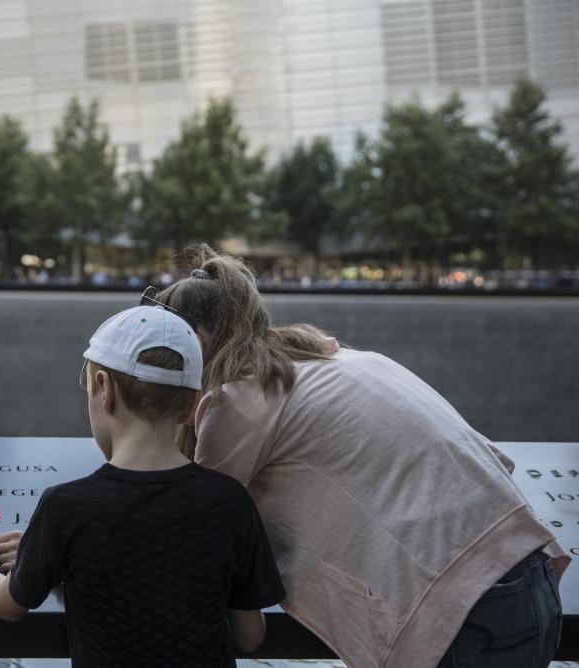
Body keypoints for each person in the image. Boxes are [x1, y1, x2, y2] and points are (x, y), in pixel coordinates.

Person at [150, 244, 569, 668]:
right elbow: (490, 458)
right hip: (531, 576)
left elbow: (192, 531)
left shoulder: (239, 400)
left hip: (458, 615)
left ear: (195, 344)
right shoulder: (345, 359)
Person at [0, 305, 285, 667]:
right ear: (190, 408)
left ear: (104, 389)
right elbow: (250, 636)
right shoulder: (229, 502)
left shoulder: (67, 507)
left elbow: (8, 605)